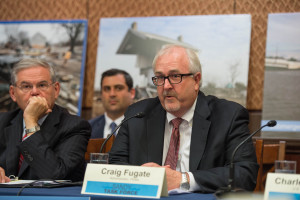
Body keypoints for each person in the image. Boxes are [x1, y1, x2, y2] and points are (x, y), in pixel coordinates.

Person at [109, 44, 258, 193]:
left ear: (196, 80)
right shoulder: (137, 115)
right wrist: (142, 176)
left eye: (175, 76)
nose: (166, 86)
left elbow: (245, 174)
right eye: (160, 77)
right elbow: (114, 166)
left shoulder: (228, 116)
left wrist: (183, 179)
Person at [0, 58, 91, 183]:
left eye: (42, 85)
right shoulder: (3, 121)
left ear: (56, 90)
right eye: (26, 86)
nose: (35, 92)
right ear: (13, 93)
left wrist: (31, 122)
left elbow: (54, 175)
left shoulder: (75, 126)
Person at [89, 69, 135, 138]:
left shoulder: (146, 127)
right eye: (107, 89)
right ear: (101, 94)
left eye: (118, 88)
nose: (112, 94)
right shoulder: (88, 128)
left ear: (132, 93)